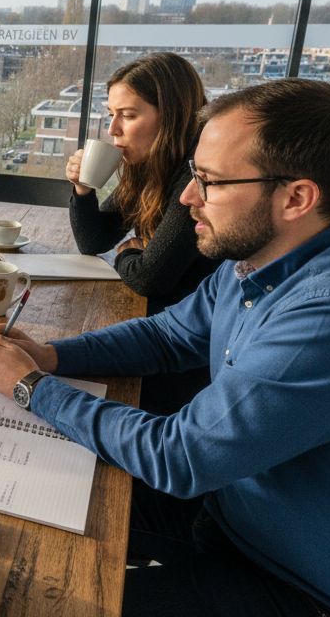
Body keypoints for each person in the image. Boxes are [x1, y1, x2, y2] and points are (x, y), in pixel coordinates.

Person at [0, 79, 330, 616]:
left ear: (296, 197)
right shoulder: (260, 257)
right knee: (17, 499)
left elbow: (181, 456)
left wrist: (30, 387)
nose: (187, 197)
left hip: (307, 587)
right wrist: (52, 357)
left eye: (208, 181)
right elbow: (168, 334)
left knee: (27, 601)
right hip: (240, 509)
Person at [65, 52, 220, 413]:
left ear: (173, 116)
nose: (112, 129)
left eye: (128, 115)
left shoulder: (194, 176)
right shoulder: (147, 166)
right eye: (111, 115)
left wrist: (127, 255)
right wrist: (83, 190)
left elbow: (150, 278)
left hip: (186, 351)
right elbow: (95, 241)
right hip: (160, 324)